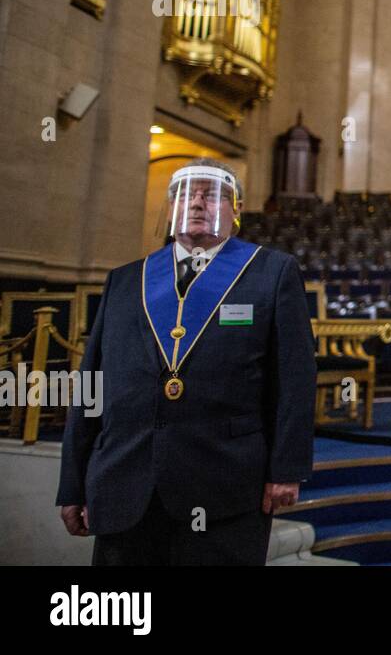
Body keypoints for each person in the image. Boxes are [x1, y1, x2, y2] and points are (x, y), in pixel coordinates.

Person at [57, 158, 317, 565]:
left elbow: (295, 379)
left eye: (212, 195)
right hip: (124, 482)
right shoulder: (125, 280)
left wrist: (287, 468)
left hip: (224, 483)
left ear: (236, 211)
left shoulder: (272, 273)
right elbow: (92, 387)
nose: (197, 202)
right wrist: (72, 484)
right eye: (186, 194)